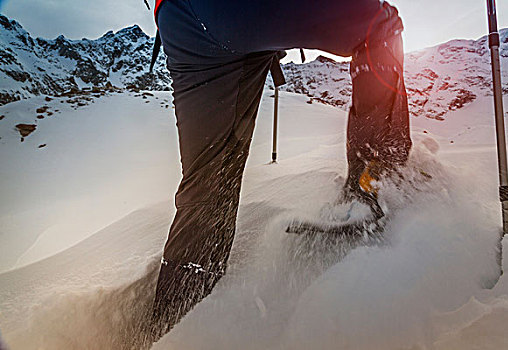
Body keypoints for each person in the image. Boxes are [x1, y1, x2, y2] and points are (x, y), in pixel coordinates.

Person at [149, 0, 412, 340]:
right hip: (238, 12)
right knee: (380, 24)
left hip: (180, 21)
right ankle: (374, 183)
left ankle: (172, 326)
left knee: (208, 183)